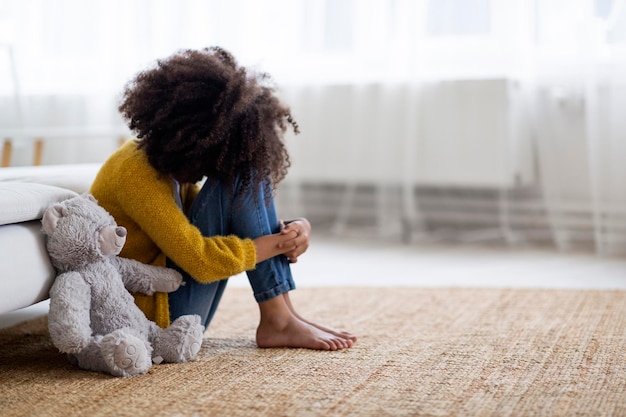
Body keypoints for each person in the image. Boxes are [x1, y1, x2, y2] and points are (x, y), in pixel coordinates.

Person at [90, 47, 356, 351]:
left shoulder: (167, 164)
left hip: (173, 303)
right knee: (244, 175)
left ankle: (285, 315)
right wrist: (277, 244)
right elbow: (199, 259)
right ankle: (279, 319)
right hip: (148, 319)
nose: (209, 169)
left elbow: (198, 230)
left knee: (247, 170)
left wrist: (289, 231)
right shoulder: (134, 171)